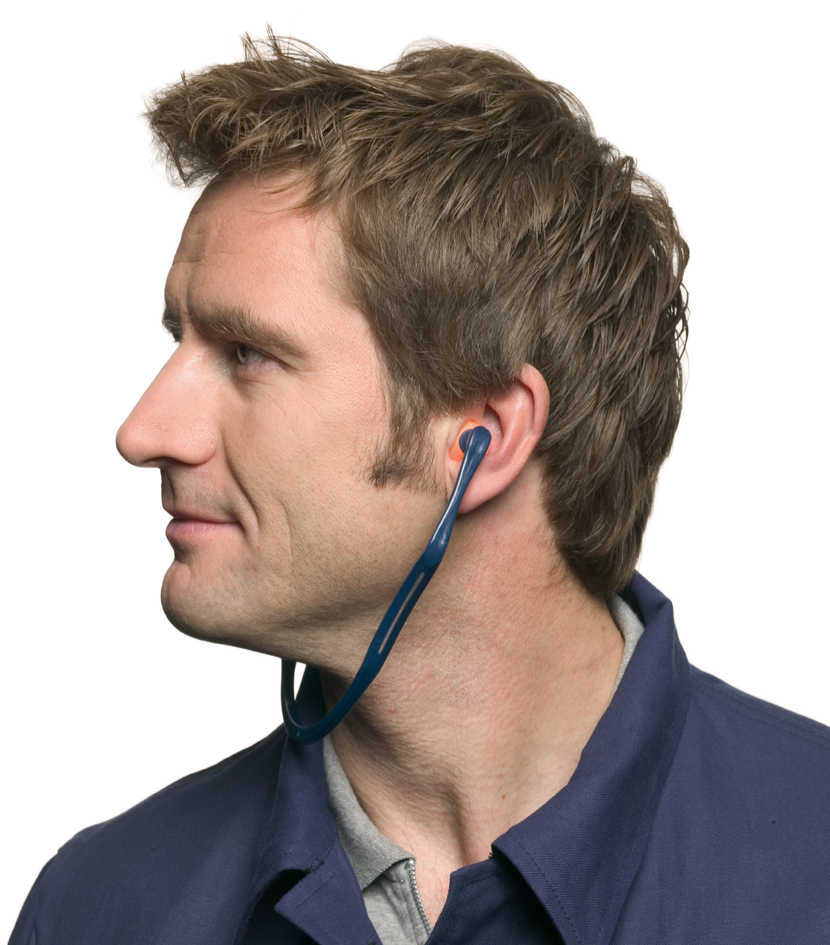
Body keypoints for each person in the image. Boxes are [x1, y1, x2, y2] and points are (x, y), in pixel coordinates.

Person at [10, 33, 830, 945]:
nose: (144, 432)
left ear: (485, 435)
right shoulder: (99, 909)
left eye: (246, 353)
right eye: (181, 340)